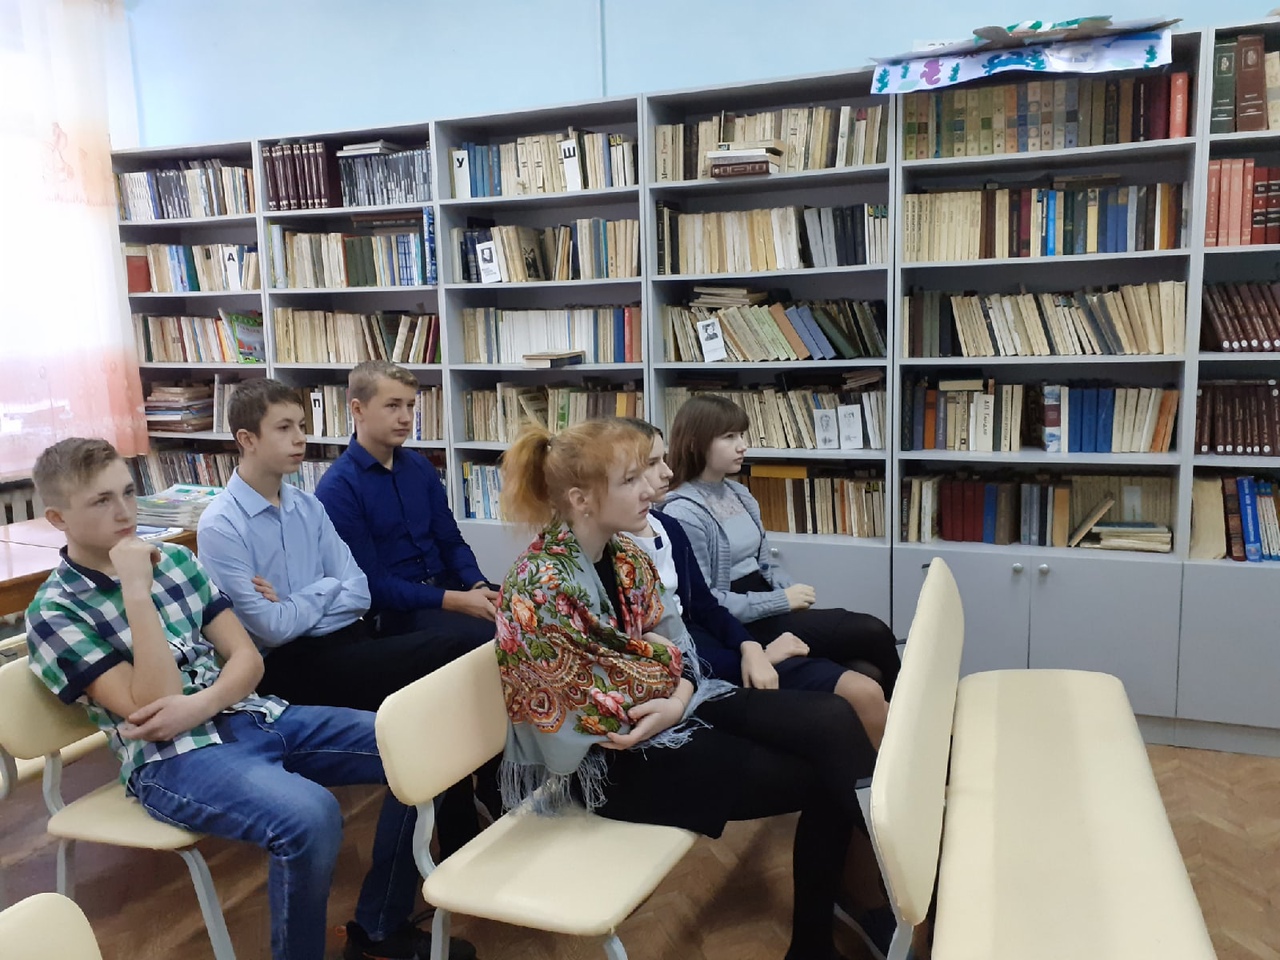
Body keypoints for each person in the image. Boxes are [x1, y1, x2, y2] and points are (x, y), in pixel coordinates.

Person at [23, 437, 476, 960]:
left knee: (421, 749)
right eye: (101, 501)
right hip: (172, 759)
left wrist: (202, 703)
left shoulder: (175, 560)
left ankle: (379, 930)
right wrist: (135, 591)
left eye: (128, 492)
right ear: (58, 518)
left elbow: (248, 660)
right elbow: (154, 703)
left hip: (252, 715)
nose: (125, 512)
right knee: (310, 816)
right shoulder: (54, 611)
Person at [495, 418, 885, 960]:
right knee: (823, 776)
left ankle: (890, 879)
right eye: (631, 479)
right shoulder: (539, 585)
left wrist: (672, 689)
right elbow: (605, 709)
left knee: (832, 719)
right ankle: (870, 905)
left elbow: (676, 650)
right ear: (581, 500)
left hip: (675, 711)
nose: (651, 487)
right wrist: (662, 667)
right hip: (612, 762)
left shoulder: (625, 553)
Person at [197, 378, 495, 861]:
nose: (301, 439)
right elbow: (271, 629)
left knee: (439, 696)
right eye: (284, 428)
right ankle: (469, 828)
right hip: (286, 668)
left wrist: (297, 598)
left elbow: (357, 592)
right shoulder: (221, 525)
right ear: (246, 439)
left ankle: (465, 834)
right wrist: (323, 589)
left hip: (348, 641)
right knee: (451, 655)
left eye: (302, 426)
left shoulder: (306, 505)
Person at [617, 418, 886, 747]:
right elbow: (676, 640)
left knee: (867, 675)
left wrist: (753, 645)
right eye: (651, 463)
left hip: (731, 638)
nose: (667, 472)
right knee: (852, 687)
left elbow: (714, 601)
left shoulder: (684, 519)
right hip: (714, 654)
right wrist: (764, 648)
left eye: (664, 459)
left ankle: (912, 747)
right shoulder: (675, 518)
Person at [662, 395, 901, 700]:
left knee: (868, 670)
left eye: (742, 435)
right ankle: (912, 719)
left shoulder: (739, 492)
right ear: (696, 443)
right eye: (729, 437)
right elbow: (706, 601)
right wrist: (782, 601)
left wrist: (786, 589)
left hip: (769, 606)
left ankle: (895, 719)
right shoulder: (683, 512)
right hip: (741, 623)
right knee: (871, 630)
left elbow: (766, 563)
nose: (742, 445)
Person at [315, 361, 497, 658]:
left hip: (450, 590)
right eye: (393, 406)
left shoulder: (419, 467)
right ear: (358, 409)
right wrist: (457, 601)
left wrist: (478, 585)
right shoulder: (338, 488)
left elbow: (451, 542)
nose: (406, 418)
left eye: (411, 406)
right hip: (398, 612)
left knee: (532, 611)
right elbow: (373, 584)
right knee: (490, 636)